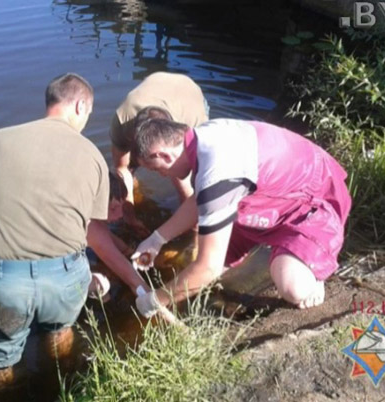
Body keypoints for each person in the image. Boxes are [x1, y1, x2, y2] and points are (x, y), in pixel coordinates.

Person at [0, 73, 109, 396]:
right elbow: (94, 230)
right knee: (60, 331)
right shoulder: (93, 156)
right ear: (80, 105)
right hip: (66, 279)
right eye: (88, 113)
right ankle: (59, 389)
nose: (87, 120)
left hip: (5, 283)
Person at [130, 118, 352, 316]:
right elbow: (201, 199)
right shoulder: (204, 135)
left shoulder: (218, 173)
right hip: (268, 196)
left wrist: (156, 300)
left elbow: (208, 268)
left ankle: (314, 273)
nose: (162, 175)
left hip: (311, 199)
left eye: (156, 169)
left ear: (163, 155)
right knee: (204, 260)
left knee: (292, 288)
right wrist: (157, 239)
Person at [110, 72, 209, 233]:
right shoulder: (122, 121)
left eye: (157, 170)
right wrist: (130, 217)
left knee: (179, 174)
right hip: (154, 88)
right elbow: (121, 168)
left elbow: (186, 180)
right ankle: (133, 194)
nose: (160, 175)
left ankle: (194, 229)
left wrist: (193, 227)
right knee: (127, 169)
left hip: (188, 93)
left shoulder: (190, 124)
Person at [87, 172, 151, 299]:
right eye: (113, 209)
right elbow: (132, 280)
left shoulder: (91, 214)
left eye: (121, 207)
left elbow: (107, 236)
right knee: (101, 286)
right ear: (95, 203)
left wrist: (129, 252)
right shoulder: (88, 226)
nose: (120, 215)